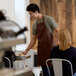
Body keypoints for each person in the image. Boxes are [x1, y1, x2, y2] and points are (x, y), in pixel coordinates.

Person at [22, 3, 58, 76]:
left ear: (36, 12)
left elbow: (59, 31)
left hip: (51, 51)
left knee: (53, 72)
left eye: (31, 14)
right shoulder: (35, 25)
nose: (30, 16)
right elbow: (33, 40)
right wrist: (26, 51)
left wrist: (59, 44)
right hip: (41, 51)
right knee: (45, 73)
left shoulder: (49, 19)